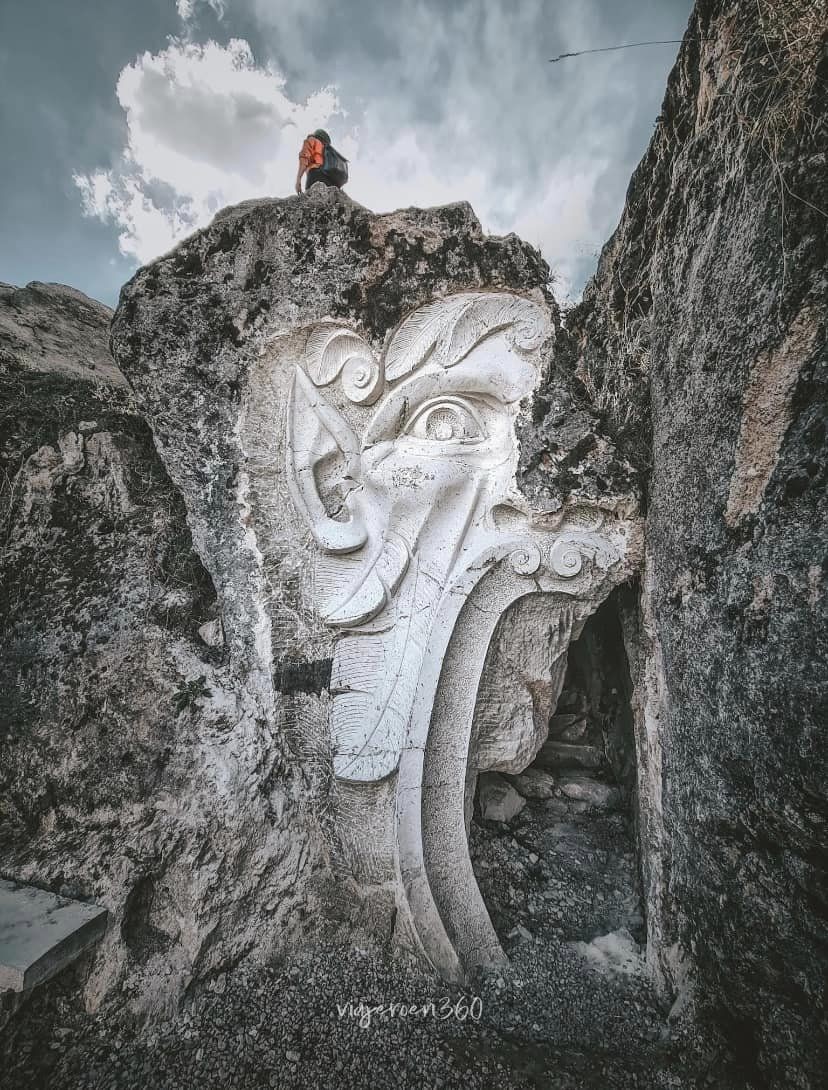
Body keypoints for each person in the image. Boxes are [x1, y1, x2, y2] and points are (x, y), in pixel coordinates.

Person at [295, 129, 348, 194]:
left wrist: (298, 180)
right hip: (330, 181)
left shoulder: (312, 140)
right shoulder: (329, 150)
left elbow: (304, 159)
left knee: (312, 198)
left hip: (315, 176)